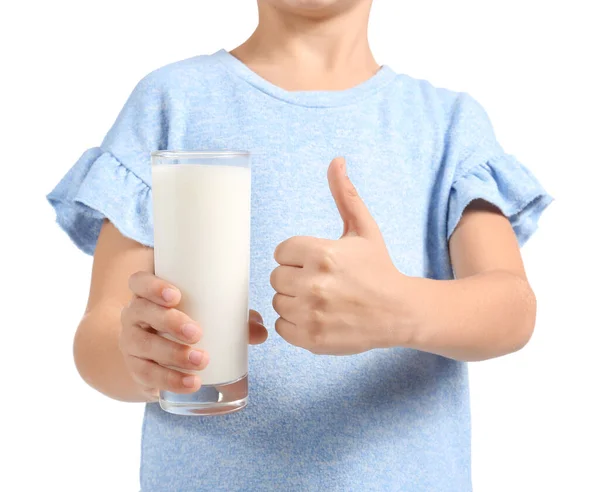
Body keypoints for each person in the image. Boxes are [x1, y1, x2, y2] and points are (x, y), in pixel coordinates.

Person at [47, 0, 553, 490]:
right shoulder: (169, 101)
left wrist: (399, 308)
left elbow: (512, 307)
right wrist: (141, 357)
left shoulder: (448, 124)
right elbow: (99, 335)